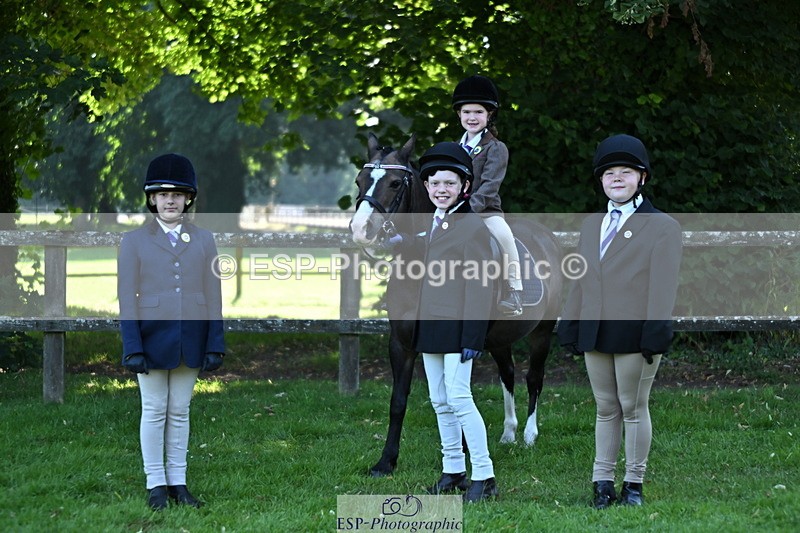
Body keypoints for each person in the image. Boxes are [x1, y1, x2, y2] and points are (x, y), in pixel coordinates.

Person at [557, 134, 682, 508]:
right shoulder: (591, 225)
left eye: (625, 172)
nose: (616, 179)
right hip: (596, 330)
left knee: (632, 406)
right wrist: (571, 322)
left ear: (641, 178)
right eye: (609, 173)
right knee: (604, 407)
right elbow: (581, 278)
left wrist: (655, 330)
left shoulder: (662, 227)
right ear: (601, 180)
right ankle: (602, 482)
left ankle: (633, 484)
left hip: (635, 332)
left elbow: (662, 287)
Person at [118, 153, 225, 511]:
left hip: (192, 340)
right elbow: (126, 299)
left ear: (189, 198)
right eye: (162, 194)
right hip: (149, 340)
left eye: (177, 194)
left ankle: (178, 482)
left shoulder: (205, 239)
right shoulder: (133, 241)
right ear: (151, 199)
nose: (170, 200)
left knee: (180, 411)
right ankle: (156, 485)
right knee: (154, 409)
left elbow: (214, 295)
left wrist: (215, 343)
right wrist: (131, 346)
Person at [392, 142, 498, 502]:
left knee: (459, 397)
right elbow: (424, 245)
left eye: (449, 184)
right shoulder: (435, 223)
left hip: (458, 329)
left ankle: (484, 474)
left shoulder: (473, 228)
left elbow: (481, 286)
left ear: (464, 187)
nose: (441, 190)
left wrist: (473, 335)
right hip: (431, 324)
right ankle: (453, 469)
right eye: (435, 183)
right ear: (426, 187)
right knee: (438, 400)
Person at [451, 74, 522, 316]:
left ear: (489, 115)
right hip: (450, 211)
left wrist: (467, 209)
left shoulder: (496, 148)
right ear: (459, 114)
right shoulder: (453, 149)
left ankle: (514, 290)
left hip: (484, 212)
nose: (472, 117)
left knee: (504, 237)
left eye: (478, 112)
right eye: (467, 112)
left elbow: (491, 185)